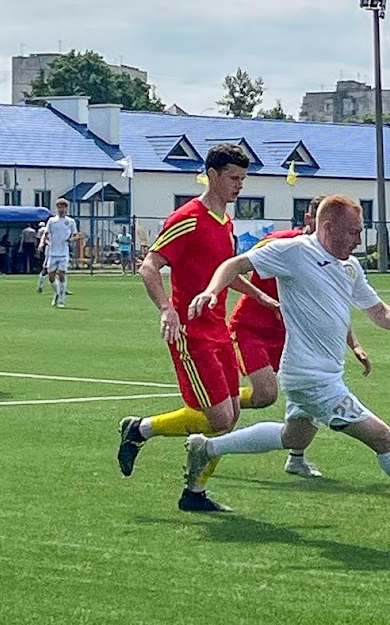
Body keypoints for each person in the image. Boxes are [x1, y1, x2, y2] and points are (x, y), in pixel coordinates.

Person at [180, 195, 390, 526]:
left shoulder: (349, 267)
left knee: (293, 438)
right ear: (327, 228)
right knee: (383, 438)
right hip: (312, 380)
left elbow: (379, 313)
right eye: (354, 232)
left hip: (323, 375)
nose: (359, 239)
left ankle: (206, 449)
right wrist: (213, 291)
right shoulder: (295, 252)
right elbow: (234, 264)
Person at [115, 143, 277, 513]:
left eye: (243, 179)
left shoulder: (226, 221)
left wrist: (261, 298)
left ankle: (194, 493)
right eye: (234, 178)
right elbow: (149, 266)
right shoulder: (188, 218)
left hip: (218, 329)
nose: (239, 186)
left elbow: (224, 275)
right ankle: (140, 429)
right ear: (213, 174)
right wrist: (167, 309)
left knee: (230, 416)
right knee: (219, 417)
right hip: (191, 332)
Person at [228, 195, 372, 478]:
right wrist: (259, 297)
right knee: (266, 395)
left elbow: (334, 307)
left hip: (287, 334)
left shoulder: (333, 259)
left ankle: (296, 457)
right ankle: (222, 404)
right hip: (252, 327)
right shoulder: (282, 245)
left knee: (309, 392)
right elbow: (235, 268)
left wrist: (353, 343)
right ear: (311, 219)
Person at [44, 198, 80, 308]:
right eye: (59, 207)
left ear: (66, 208)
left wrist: (71, 240)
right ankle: (57, 293)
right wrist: (45, 242)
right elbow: (46, 234)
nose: (61, 209)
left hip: (64, 252)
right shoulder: (51, 221)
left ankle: (61, 300)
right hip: (53, 252)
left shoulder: (70, 221)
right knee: (51, 276)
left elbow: (76, 235)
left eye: (63, 207)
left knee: (62, 274)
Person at [36, 221, 50, 292]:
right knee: (45, 269)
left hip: (56, 251)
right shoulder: (48, 229)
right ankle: (40, 286)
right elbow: (44, 239)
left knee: (60, 271)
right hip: (50, 251)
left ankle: (62, 288)